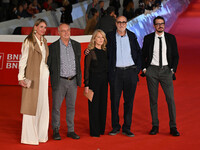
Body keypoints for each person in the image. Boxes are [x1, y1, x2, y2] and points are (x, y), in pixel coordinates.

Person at [141, 16, 180, 136]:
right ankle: (155, 125)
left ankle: (173, 127)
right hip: (152, 71)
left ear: (164, 24)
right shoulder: (148, 38)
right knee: (153, 100)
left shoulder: (170, 38)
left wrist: (172, 70)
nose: (160, 26)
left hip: (166, 71)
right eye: (157, 24)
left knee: (170, 99)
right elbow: (142, 55)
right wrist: (145, 69)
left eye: (162, 23)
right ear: (154, 26)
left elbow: (176, 56)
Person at [107, 16, 142, 137]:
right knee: (114, 102)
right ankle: (115, 126)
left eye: (123, 22)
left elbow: (138, 52)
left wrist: (136, 69)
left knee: (129, 102)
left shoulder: (132, 36)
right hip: (115, 73)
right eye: (119, 22)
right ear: (116, 23)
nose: (121, 24)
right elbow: (102, 51)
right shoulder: (109, 36)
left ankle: (127, 127)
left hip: (130, 73)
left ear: (126, 24)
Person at [47, 23, 82, 140]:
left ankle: (70, 130)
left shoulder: (77, 45)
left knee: (71, 107)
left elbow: (78, 63)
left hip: (73, 81)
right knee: (56, 107)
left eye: (68, 30)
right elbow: (49, 65)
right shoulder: (53, 47)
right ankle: (56, 130)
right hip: (60, 81)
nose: (66, 32)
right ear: (58, 32)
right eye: (63, 31)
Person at [18, 18, 49, 145]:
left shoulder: (44, 41)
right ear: (35, 27)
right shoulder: (28, 41)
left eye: (45, 27)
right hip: (32, 77)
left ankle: (41, 135)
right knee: (31, 106)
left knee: (42, 105)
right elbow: (23, 60)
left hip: (43, 77)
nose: (43, 29)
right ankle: (29, 137)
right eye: (41, 26)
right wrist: (21, 78)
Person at [84, 29, 108, 137]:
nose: (101, 39)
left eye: (102, 37)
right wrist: (87, 85)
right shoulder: (90, 52)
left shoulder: (105, 51)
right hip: (93, 83)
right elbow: (87, 70)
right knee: (94, 106)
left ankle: (101, 129)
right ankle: (95, 131)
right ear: (94, 39)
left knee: (103, 105)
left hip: (104, 83)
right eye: (98, 37)